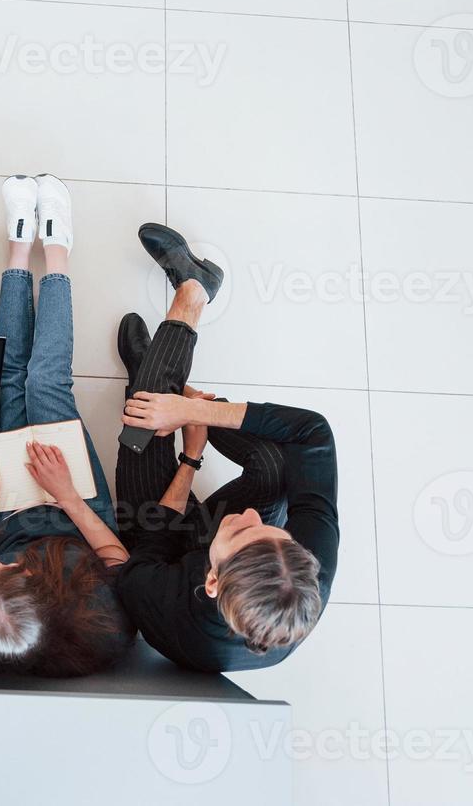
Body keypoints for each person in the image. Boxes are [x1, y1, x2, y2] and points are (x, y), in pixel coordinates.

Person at [114, 223, 339, 672]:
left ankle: (191, 297)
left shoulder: (169, 614)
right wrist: (192, 415)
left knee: (141, 425)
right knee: (276, 465)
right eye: (274, 530)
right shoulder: (302, 570)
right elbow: (313, 432)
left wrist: (191, 458)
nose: (253, 516)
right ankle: (163, 384)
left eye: (243, 530)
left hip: (158, 540)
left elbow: (153, 548)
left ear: (211, 582)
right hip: (213, 545)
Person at [0, 174, 135, 677]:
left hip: (12, 514)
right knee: (46, 384)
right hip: (77, 513)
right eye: (2, 573)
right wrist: (67, 494)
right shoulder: (98, 615)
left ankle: (18, 249)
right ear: (39, 585)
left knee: (8, 381)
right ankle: (57, 251)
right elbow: (117, 556)